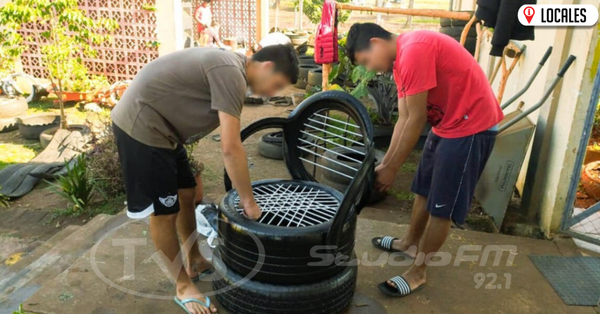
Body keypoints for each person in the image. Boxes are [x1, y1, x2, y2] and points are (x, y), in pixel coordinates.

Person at [111, 45, 299, 314]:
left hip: (165, 130)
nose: (272, 93)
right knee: (164, 212)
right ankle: (182, 286)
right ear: (266, 66)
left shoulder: (233, 70)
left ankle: (194, 258)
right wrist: (249, 203)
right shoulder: (230, 72)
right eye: (276, 84)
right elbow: (230, 147)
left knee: (187, 192)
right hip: (142, 128)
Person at [345, 23, 503, 297]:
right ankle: (409, 242)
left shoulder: (415, 50)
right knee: (423, 189)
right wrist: (386, 164)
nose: (370, 69)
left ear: (376, 42)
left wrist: (393, 168)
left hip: (471, 127)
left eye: (366, 61)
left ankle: (419, 272)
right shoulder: (399, 61)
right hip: (447, 124)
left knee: (442, 205)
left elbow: (417, 120)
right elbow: (404, 118)